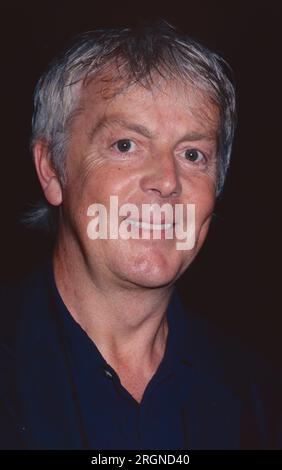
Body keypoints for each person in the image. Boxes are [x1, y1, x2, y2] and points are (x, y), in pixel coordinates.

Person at [0, 22, 281, 450]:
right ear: (52, 169)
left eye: (193, 154)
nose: (167, 181)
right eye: (126, 145)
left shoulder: (262, 400)